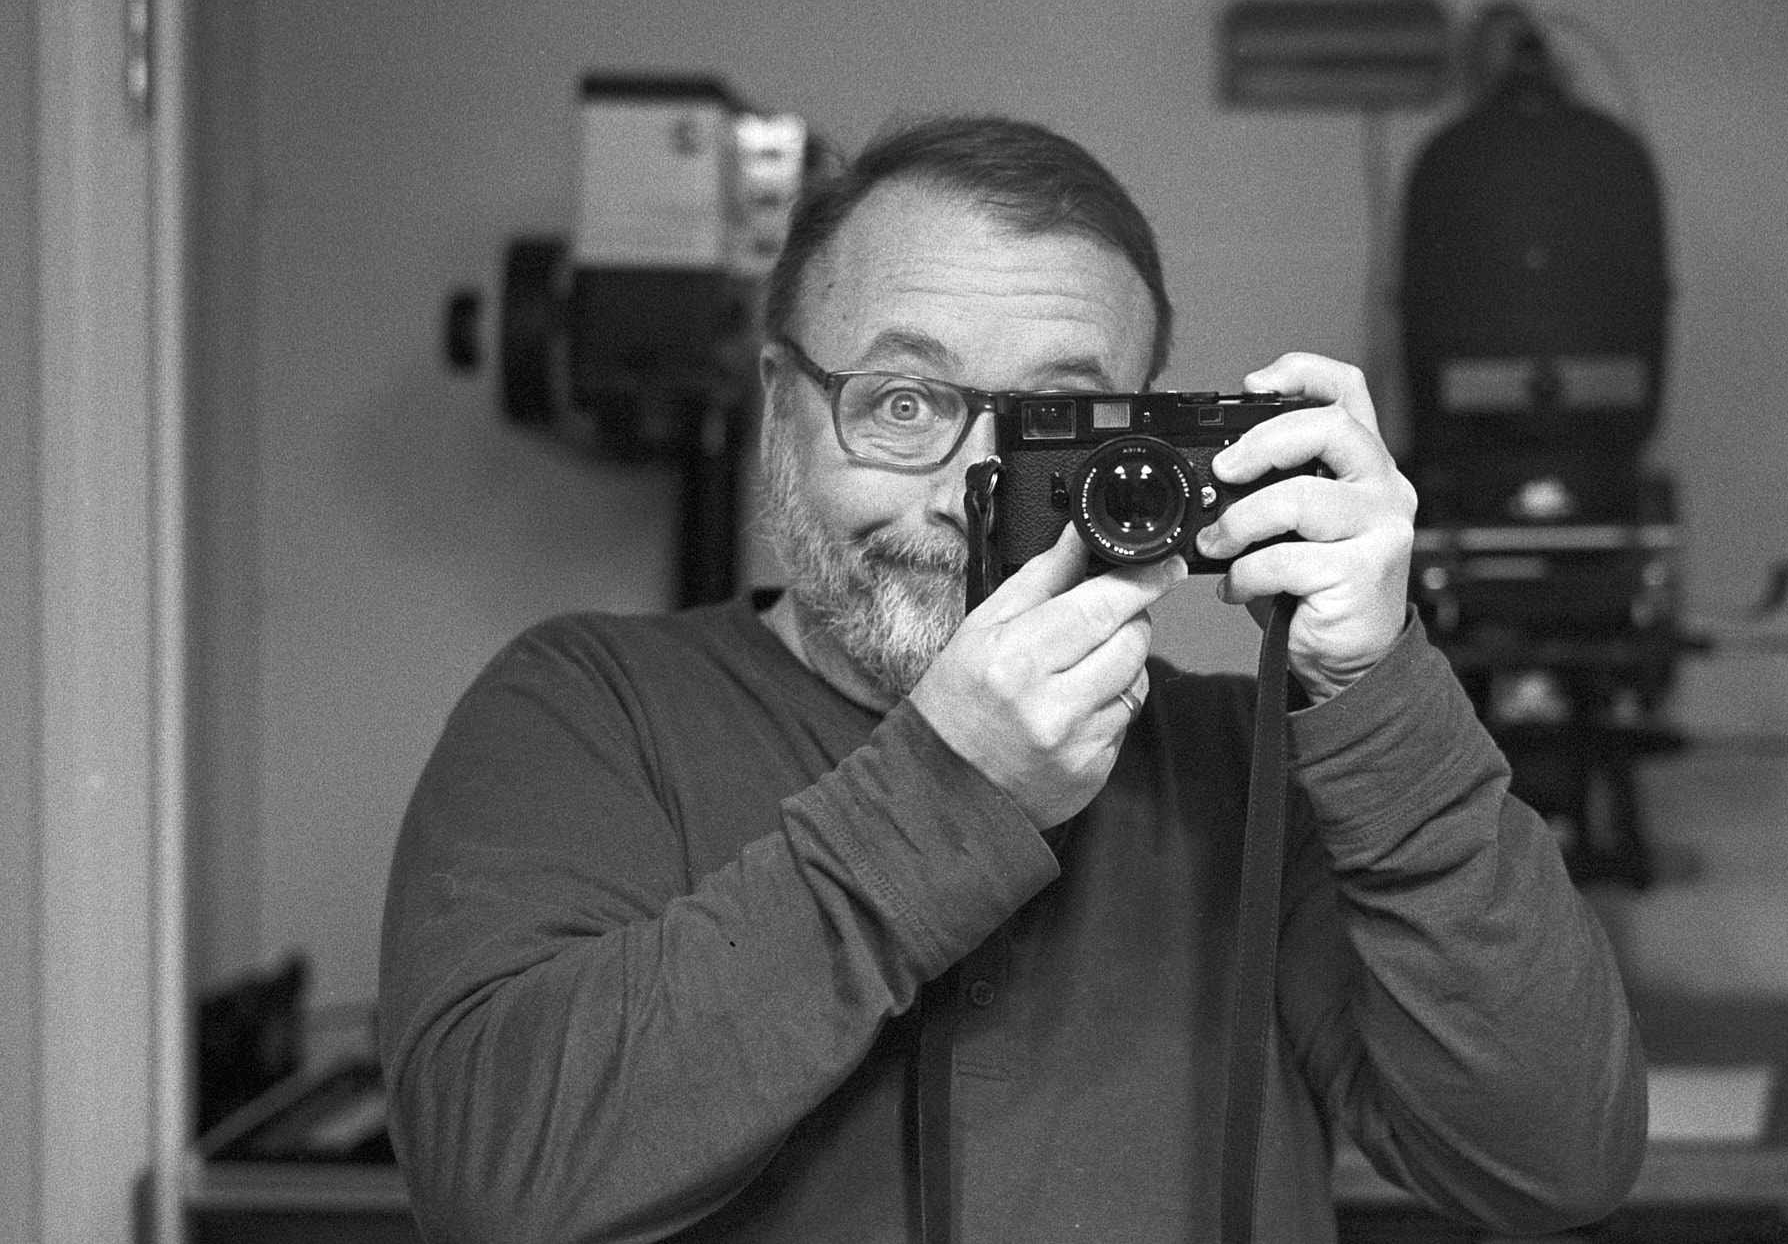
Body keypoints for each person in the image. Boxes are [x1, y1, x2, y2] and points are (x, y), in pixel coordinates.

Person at [378, 115, 1646, 1243]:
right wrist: (949, 793)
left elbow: (1548, 1165)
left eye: (1057, 426)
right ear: (782, 408)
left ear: (1151, 450)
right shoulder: (588, 707)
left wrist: (1380, 691)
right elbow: (498, 1183)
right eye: (904, 403)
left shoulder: (1250, 769)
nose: (966, 494)